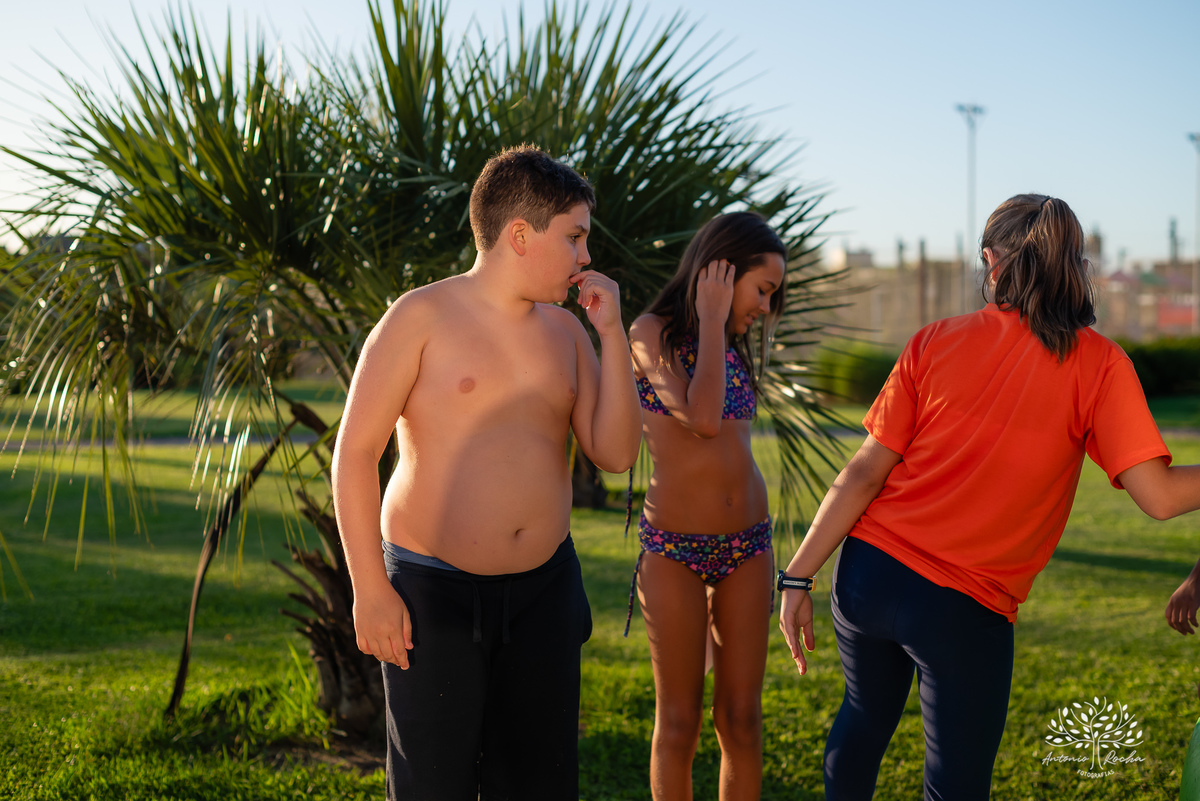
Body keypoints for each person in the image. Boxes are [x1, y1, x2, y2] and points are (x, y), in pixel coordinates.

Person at [778, 193, 1200, 801]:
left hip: (868, 573)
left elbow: (864, 473)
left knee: (862, 722)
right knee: (956, 783)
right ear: (1074, 264)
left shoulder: (933, 341)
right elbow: (1159, 497)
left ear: (990, 261)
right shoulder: (1100, 364)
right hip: (963, 607)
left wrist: (797, 576)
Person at [331, 145, 642, 801]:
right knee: (431, 787)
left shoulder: (568, 334)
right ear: (520, 235)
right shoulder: (419, 317)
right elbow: (355, 452)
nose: (586, 256)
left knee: (536, 786)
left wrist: (613, 335)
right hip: (430, 594)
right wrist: (369, 588)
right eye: (575, 237)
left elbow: (616, 453)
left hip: (543, 595)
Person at [627, 212, 788, 801]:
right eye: (762, 290)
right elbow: (703, 420)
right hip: (673, 550)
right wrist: (714, 318)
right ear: (721, 271)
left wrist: (721, 326)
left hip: (748, 546)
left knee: (741, 719)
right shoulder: (650, 333)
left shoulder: (731, 347)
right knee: (678, 723)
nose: (765, 308)